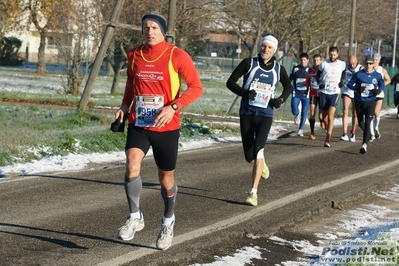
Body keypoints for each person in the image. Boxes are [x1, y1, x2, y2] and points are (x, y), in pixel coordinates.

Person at [114, 11, 203, 250]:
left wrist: (174, 106)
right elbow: (131, 82)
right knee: (132, 164)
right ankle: (135, 217)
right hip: (140, 123)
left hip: (166, 126)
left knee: (166, 180)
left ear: (163, 31)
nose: (150, 32)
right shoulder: (134, 54)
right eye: (146, 28)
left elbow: (196, 88)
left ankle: (168, 221)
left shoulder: (177, 55)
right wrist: (125, 105)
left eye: (154, 28)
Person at [226, 34, 291, 206]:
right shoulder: (249, 63)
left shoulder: (278, 69)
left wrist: (280, 100)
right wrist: (245, 93)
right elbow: (230, 82)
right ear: (260, 47)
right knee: (249, 156)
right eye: (264, 46)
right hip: (247, 112)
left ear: (274, 50)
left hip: (265, 115)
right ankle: (260, 164)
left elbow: (288, 87)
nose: (266, 49)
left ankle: (253, 193)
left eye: (269, 47)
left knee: (259, 150)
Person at [347, 57, 385, 154]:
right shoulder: (359, 74)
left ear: (373, 64)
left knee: (368, 122)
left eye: (370, 63)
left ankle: (364, 144)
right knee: (360, 123)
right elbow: (349, 84)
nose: (368, 65)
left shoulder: (377, 75)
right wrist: (357, 89)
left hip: (370, 101)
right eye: (367, 63)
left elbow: (382, 85)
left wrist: (378, 90)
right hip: (359, 101)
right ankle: (368, 133)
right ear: (365, 64)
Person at [316, 46, 346, 148]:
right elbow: (317, 75)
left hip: (335, 92)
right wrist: (320, 82)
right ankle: (325, 123)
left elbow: (344, 73)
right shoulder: (324, 64)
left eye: (334, 55)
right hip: (324, 92)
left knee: (331, 114)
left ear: (338, 54)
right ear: (329, 54)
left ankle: (328, 138)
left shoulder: (342, 64)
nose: (333, 57)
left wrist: (342, 81)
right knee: (322, 117)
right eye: (331, 55)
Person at [340, 55, 363, 142]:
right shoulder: (345, 68)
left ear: (356, 62)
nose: (352, 65)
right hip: (347, 90)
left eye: (353, 64)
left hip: (356, 92)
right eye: (350, 64)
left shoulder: (360, 68)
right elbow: (341, 76)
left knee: (355, 113)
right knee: (345, 110)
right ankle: (344, 133)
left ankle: (353, 132)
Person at [370, 53, 391, 140]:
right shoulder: (369, 69)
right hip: (370, 94)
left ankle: (376, 128)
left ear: (379, 61)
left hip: (379, 94)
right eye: (373, 60)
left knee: (376, 113)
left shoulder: (382, 70)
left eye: (376, 60)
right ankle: (371, 133)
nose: (374, 62)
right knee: (370, 114)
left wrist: (382, 85)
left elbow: (389, 80)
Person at [290, 53, 310, 137]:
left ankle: (300, 129)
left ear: (308, 60)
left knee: (304, 113)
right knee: (294, 110)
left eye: (304, 60)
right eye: (301, 60)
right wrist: (289, 87)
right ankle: (296, 114)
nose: (303, 61)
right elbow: (289, 79)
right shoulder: (296, 68)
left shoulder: (310, 70)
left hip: (306, 95)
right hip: (296, 94)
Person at [305, 54, 323, 139]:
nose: (316, 62)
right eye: (314, 60)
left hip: (322, 94)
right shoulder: (310, 70)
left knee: (321, 115)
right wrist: (306, 88)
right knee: (312, 112)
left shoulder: (323, 70)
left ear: (321, 61)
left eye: (318, 60)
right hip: (313, 94)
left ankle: (323, 121)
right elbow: (308, 80)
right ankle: (312, 132)